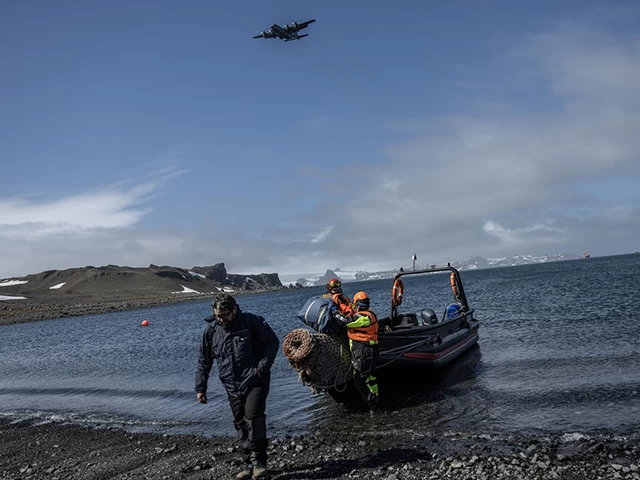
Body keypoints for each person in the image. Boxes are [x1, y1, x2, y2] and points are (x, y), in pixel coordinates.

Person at [195, 294, 280, 480]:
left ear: (235, 310)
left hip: (255, 380)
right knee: (240, 422)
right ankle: (248, 464)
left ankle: (260, 463)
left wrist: (261, 368)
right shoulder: (211, 332)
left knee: (253, 418)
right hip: (231, 385)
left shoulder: (252, 322)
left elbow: (272, 343)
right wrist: (201, 387)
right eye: (218, 315)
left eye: (225, 315)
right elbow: (204, 361)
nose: (221, 319)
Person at [333, 291, 380, 414]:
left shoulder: (364, 317)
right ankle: (375, 402)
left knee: (360, 379)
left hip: (363, 351)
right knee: (370, 378)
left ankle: (373, 406)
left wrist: (334, 313)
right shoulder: (369, 315)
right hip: (367, 350)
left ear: (357, 304)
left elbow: (346, 321)